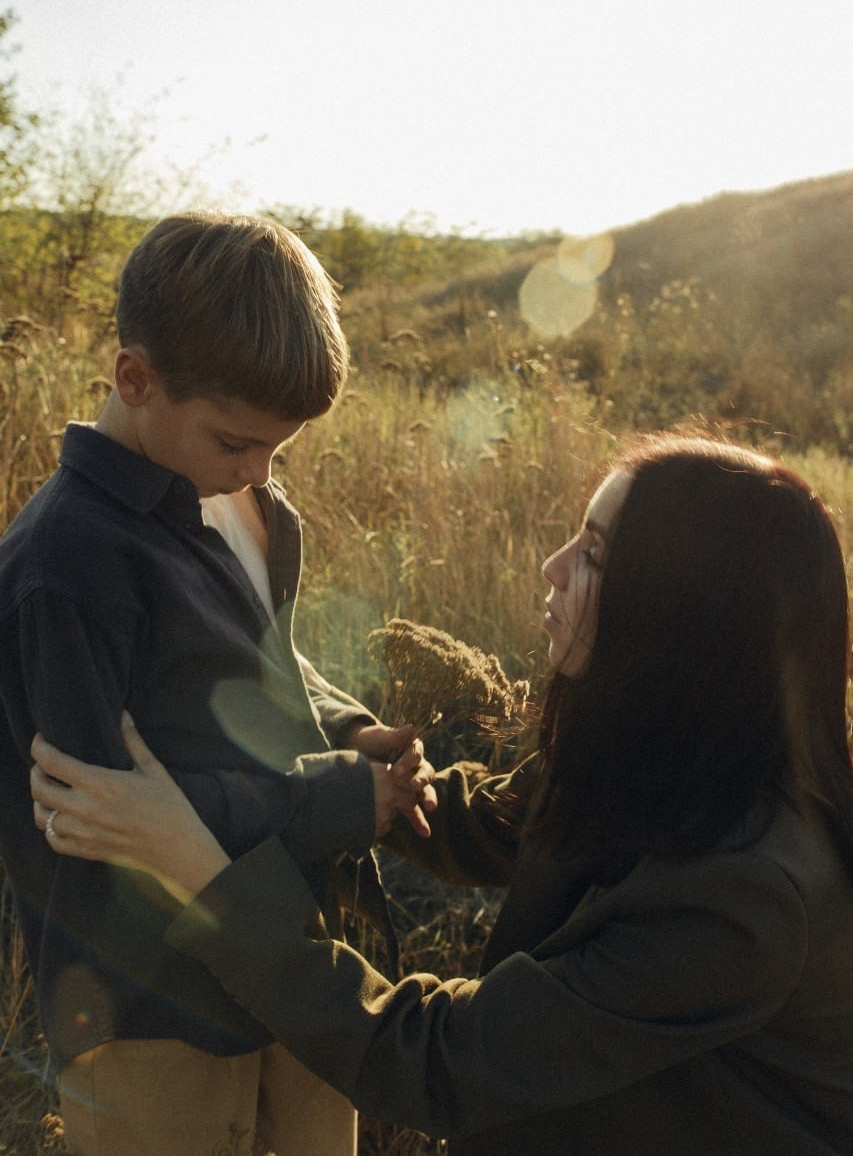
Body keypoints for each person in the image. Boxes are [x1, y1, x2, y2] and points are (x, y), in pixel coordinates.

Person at [30, 436, 853, 1155]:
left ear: (682, 618)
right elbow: (499, 825)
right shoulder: (680, 749)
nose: (552, 566)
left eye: (596, 555)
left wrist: (203, 877)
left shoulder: (745, 901)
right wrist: (364, 767)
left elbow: (434, 1064)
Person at [0, 212, 435, 1156]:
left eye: (280, 450)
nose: (261, 471)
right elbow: (94, 818)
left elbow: (266, 662)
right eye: (238, 442)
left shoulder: (229, 495)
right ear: (135, 380)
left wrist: (349, 729)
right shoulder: (65, 564)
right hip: (153, 1018)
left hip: (288, 964)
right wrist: (332, 803)